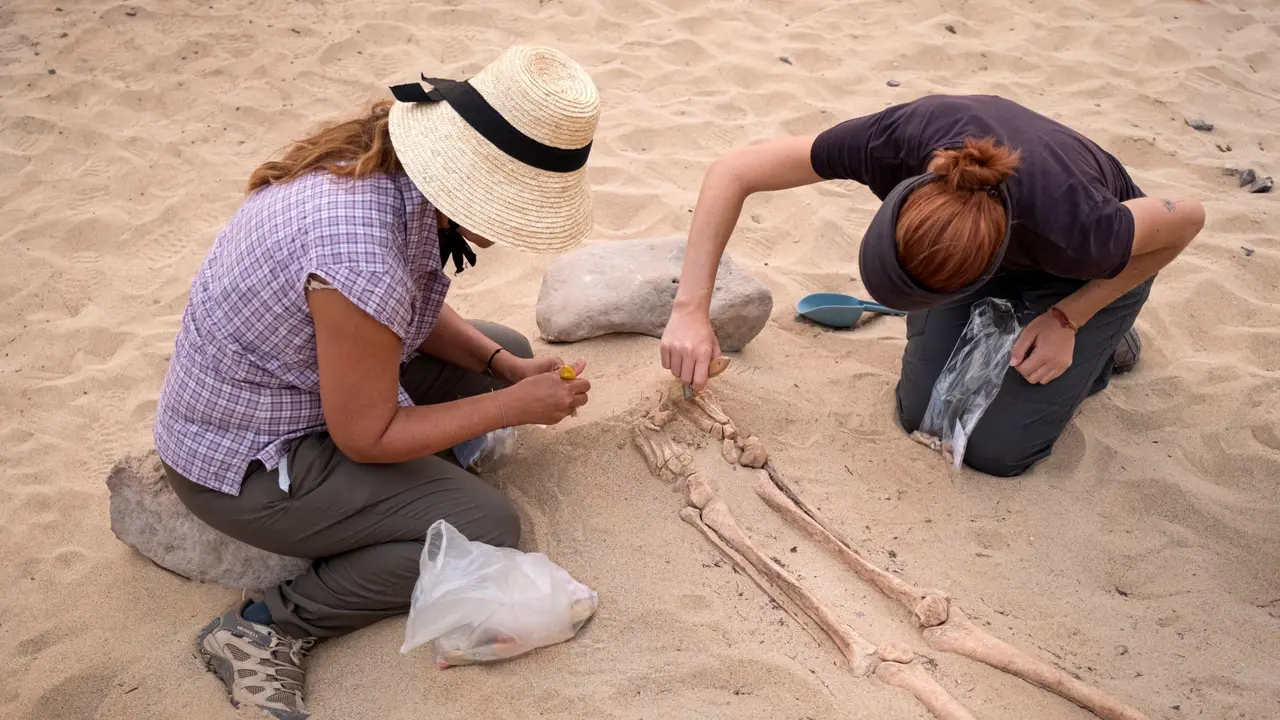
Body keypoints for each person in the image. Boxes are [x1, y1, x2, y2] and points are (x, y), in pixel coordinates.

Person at [152, 45, 599, 719]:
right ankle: (266, 627)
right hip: (246, 463)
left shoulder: (387, 177)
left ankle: (414, 487)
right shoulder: (359, 252)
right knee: (486, 525)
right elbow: (365, 434)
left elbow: (401, 307)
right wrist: (513, 405)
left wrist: (501, 370)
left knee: (504, 348)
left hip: (294, 396)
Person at [660, 94, 1205, 477]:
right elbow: (733, 171)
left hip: (1091, 274)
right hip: (973, 244)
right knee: (922, 415)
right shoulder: (892, 142)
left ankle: (1107, 345)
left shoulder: (1085, 231)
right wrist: (689, 310)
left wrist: (1070, 318)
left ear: (977, 277)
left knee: (995, 451)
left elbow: (1188, 220)